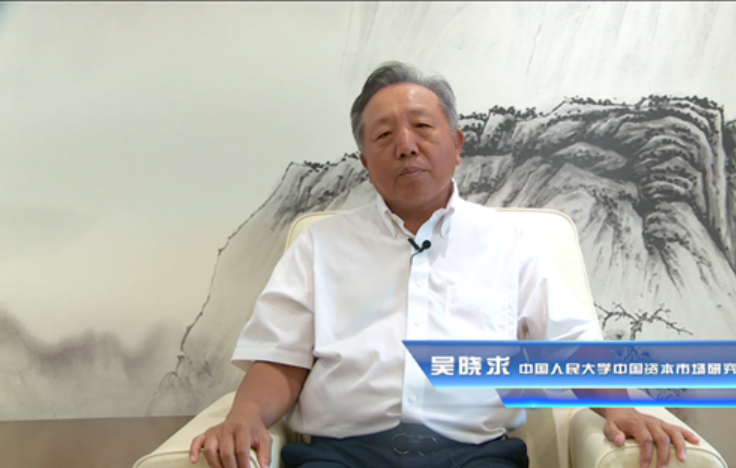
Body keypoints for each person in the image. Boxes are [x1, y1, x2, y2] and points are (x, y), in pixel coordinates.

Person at [189, 62, 700, 468]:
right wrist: (245, 414)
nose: (405, 146)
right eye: (383, 136)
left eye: (422, 127)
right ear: (365, 163)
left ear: (457, 145)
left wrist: (622, 408)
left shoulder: (511, 242)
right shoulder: (319, 246)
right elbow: (280, 359)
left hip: (475, 456)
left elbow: (569, 344)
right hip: (340, 456)